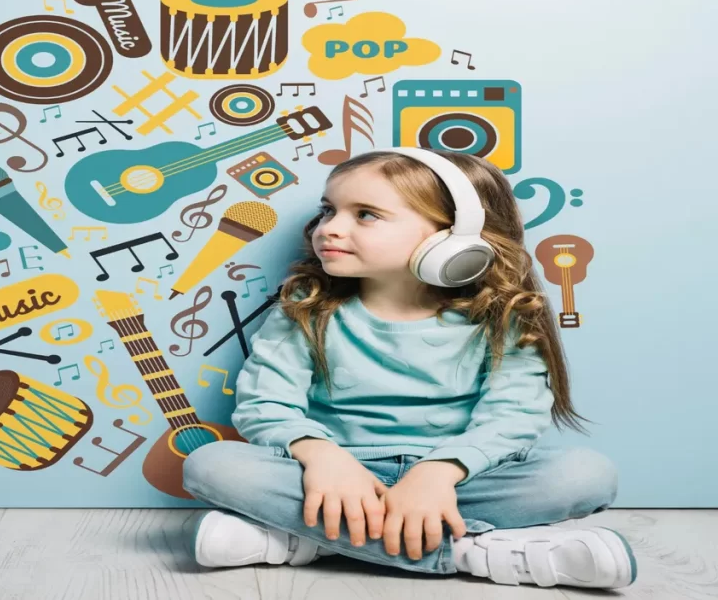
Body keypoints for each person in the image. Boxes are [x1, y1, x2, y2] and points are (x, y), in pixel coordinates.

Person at [181, 149, 637, 590]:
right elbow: (266, 404)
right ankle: (467, 553)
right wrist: (323, 458)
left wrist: (438, 472)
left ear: (449, 237)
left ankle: (315, 539)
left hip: (458, 480)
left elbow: (512, 417)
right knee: (211, 464)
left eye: (365, 214)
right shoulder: (306, 306)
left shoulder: (501, 315)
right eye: (328, 210)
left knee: (585, 474)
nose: (328, 229)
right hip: (335, 475)